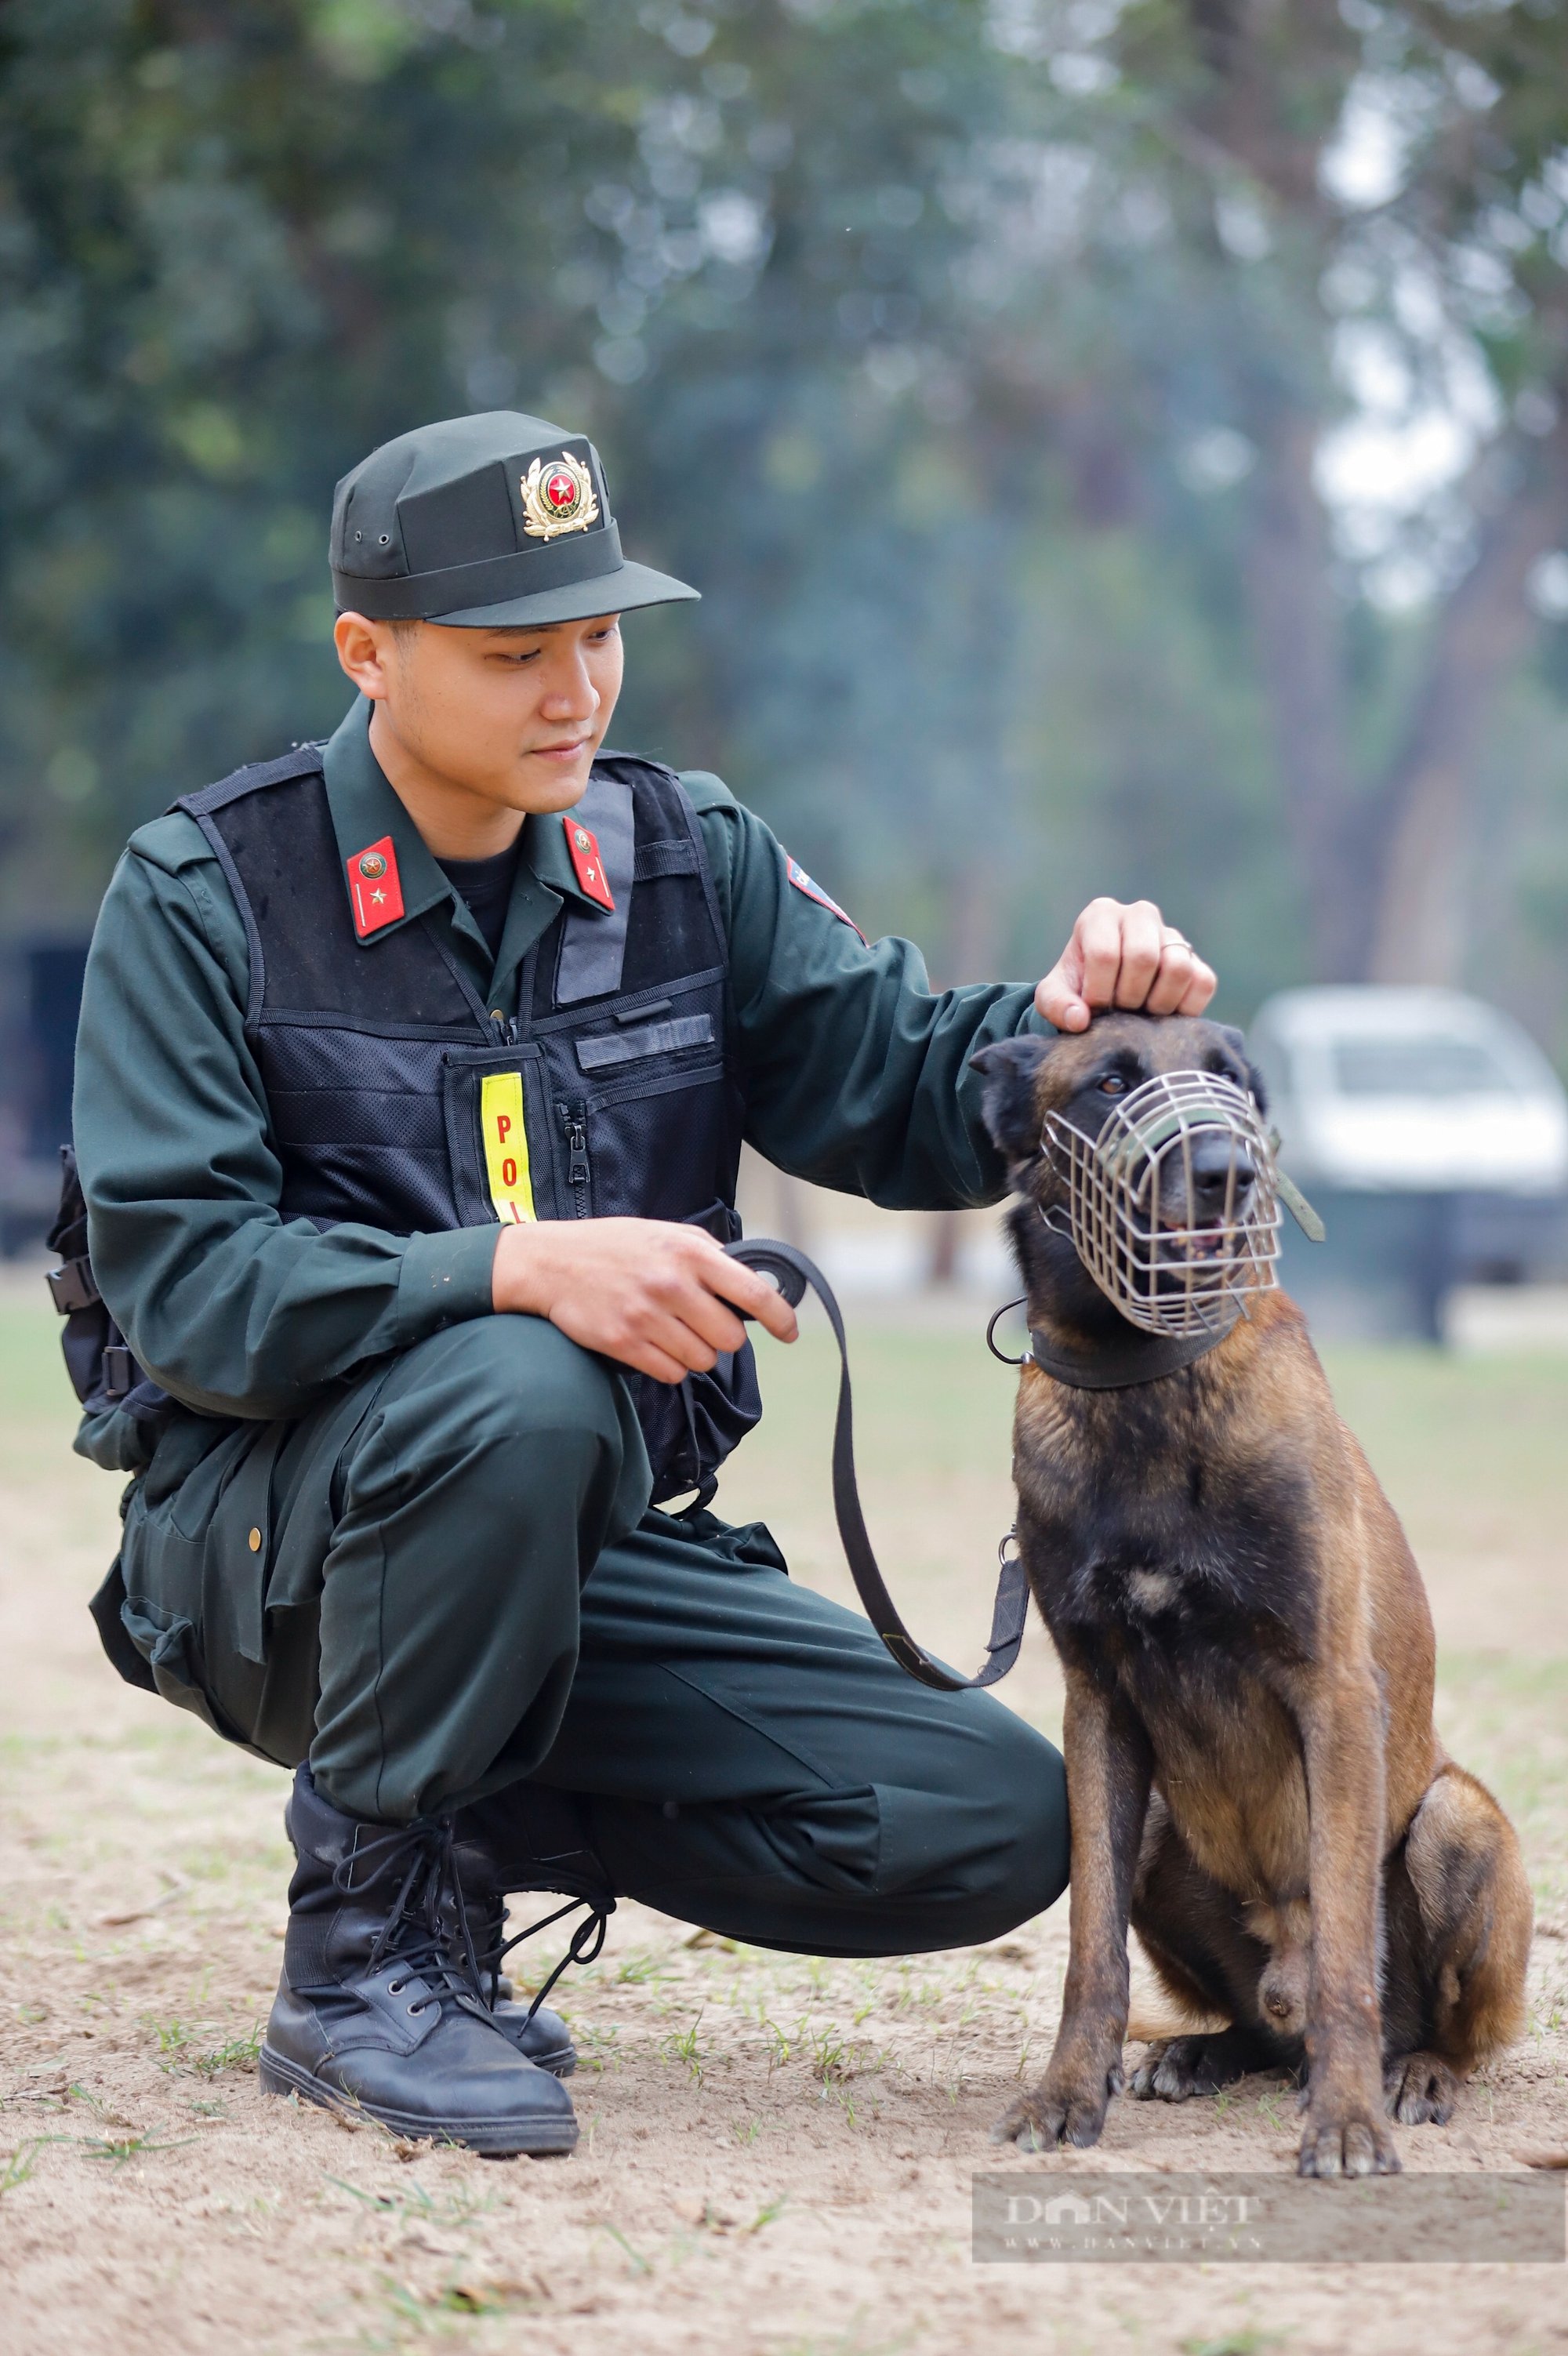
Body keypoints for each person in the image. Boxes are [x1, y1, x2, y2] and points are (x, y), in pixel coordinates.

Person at [67, 410, 1218, 2157]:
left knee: (987, 1813)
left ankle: (462, 1823)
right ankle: (359, 1958)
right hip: (264, 1557)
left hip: (558, 1551)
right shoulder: (210, 889)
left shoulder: (683, 857)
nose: (574, 692)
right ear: (367, 656)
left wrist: (1070, 1027)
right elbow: (189, 1295)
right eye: (515, 653)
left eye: (599, 637)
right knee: (519, 1375)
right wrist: (515, 1268)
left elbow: (899, 1080)